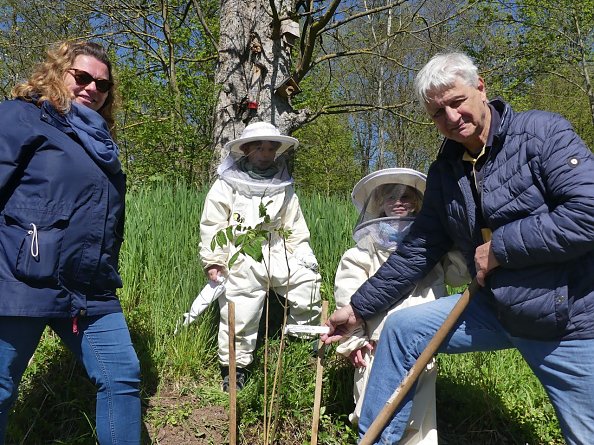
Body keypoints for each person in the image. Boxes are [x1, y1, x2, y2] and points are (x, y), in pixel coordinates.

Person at [322, 51, 594, 445]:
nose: (450, 118)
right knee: (402, 329)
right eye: (437, 113)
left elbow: (587, 214)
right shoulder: (446, 170)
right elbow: (418, 249)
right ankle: (378, 439)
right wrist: (358, 309)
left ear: (480, 88)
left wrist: (501, 247)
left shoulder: (541, 134)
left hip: (566, 318)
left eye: (456, 102)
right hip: (495, 307)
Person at [0, 42, 141, 444]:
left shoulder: (101, 144)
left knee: (122, 378)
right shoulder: (21, 117)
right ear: (58, 73)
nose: (92, 88)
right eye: (82, 77)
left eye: (102, 84)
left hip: (88, 287)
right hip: (17, 279)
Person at [333, 167, 469, 442]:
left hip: (422, 347)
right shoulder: (362, 252)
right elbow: (348, 297)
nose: (399, 201)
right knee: (371, 415)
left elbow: (460, 273)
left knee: (418, 424)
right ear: (378, 202)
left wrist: (453, 239)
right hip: (375, 347)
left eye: (407, 196)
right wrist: (354, 342)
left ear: (419, 201)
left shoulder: (432, 248)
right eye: (391, 196)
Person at [199, 121, 322, 392]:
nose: (265, 154)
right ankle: (235, 368)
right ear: (246, 149)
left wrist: (304, 257)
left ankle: (300, 348)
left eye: (270, 149)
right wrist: (214, 260)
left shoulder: (284, 186)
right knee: (240, 307)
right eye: (259, 148)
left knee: (309, 285)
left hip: (277, 250)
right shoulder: (227, 184)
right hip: (241, 251)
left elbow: (294, 227)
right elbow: (214, 223)